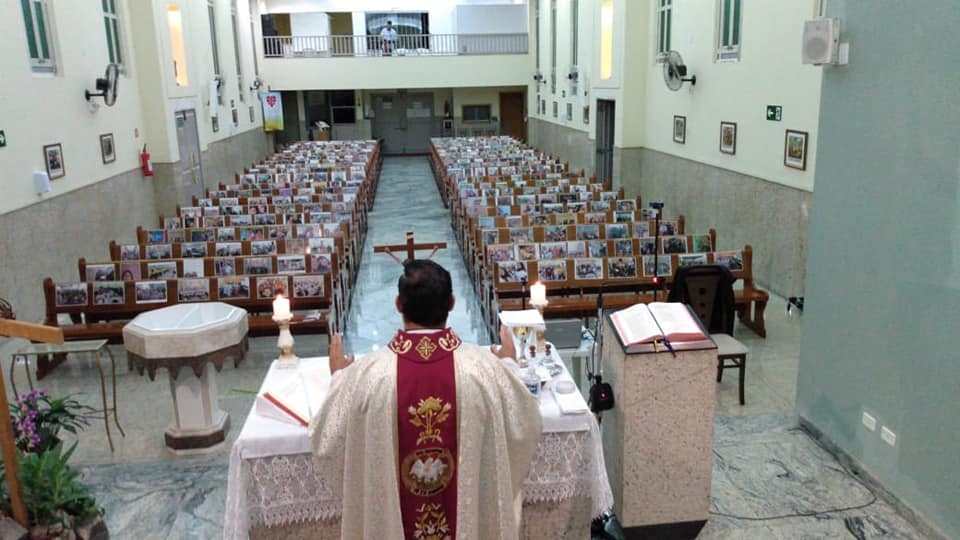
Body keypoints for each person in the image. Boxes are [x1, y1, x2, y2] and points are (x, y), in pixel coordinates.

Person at [308, 259, 542, 539]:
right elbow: (523, 419)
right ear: (453, 303)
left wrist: (338, 379)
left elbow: (329, 435)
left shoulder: (368, 376)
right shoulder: (484, 370)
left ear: (398, 304)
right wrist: (509, 365)